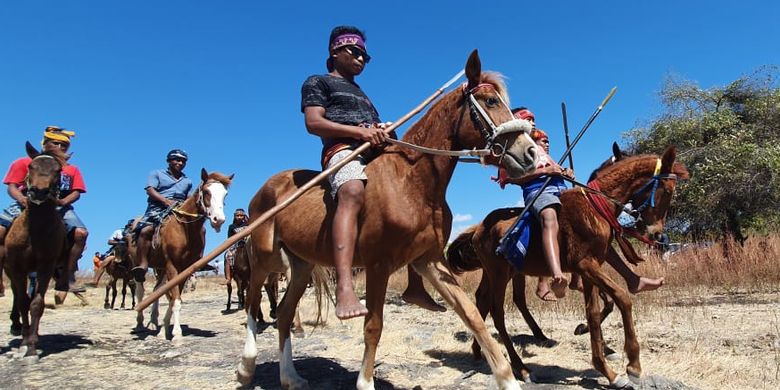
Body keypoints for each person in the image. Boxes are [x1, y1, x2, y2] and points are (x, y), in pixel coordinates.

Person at [301, 25, 443, 319]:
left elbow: (372, 129)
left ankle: (415, 285)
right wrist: (359, 132)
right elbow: (313, 123)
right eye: (355, 51)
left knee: (417, 188)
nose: (361, 58)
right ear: (335, 51)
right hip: (343, 150)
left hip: (374, 151)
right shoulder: (318, 82)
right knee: (352, 189)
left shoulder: (364, 96)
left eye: (365, 55)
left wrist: (380, 130)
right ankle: (345, 287)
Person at [0, 126, 89, 300]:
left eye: (64, 145)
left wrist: (63, 201)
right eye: (56, 143)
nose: (60, 147)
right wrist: (22, 199)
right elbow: (11, 186)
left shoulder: (71, 169)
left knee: (81, 233)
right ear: (46, 144)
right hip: (26, 202)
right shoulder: (24, 162)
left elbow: (77, 191)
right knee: (0, 231)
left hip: (57, 206)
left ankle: (67, 276)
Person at [131, 149, 193, 282]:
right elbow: (150, 189)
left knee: (198, 229)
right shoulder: (157, 173)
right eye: (177, 159)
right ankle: (142, 264)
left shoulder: (187, 181)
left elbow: (189, 197)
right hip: (158, 207)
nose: (180, 163)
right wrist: (166, 201)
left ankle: (196, 258)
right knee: (145, 230)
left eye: (183, 161)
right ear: (169, 161)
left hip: (180, 209)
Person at [91, 219, 133, 286]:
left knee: (136, 261)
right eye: (130, 226)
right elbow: (109, 241)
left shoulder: (134, 234)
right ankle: (95, 281)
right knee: (105, 261)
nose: (131, 227)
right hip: (116, 251)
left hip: (129, 252)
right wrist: (119, 242)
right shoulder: (118, 232)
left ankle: (132, 279)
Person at [224, 208, 248, 284]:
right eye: (237, 215)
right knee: (228, 255)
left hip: (248, 243)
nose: (239, 217)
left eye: (241, 215)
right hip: (236, 245)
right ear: (234, 216)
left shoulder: (248, 224)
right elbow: (229, 238)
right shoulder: (232, 226)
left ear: (244, 216)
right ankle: (228, 278)